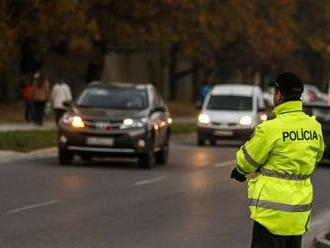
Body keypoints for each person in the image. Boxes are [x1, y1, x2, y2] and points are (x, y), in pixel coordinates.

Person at [231, 72, 324, 248]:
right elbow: (316, 158)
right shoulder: (314, 127)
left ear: (280, 95)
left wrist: (240, 172)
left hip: (270, 215)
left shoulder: (270, 128)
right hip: (298, 214)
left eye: (275, 92)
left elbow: (247, 161)